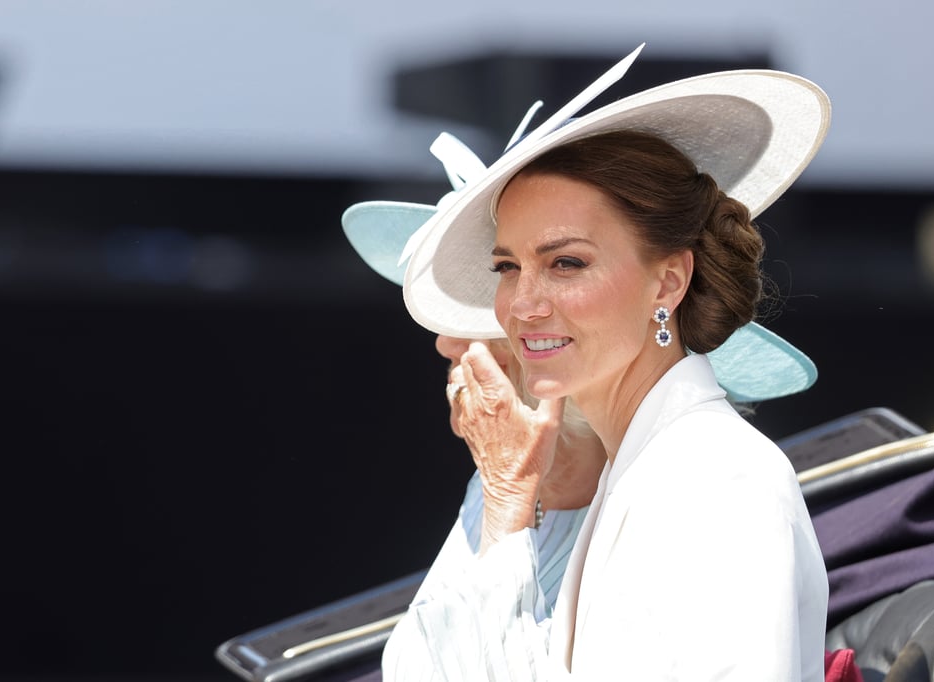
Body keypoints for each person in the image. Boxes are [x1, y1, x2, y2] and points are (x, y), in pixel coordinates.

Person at [339, 78, 824, 677]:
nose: (523, 304)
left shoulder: (718, 477)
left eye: (566, 263)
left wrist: (510, 499)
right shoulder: (650, 469)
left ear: (668, 282)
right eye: (507, 267)